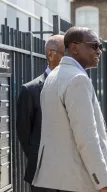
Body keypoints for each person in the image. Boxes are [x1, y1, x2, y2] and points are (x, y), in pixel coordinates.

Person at [32, 27, 107, 192]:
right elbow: (86, 139)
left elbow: (62, 129)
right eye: (93, 46)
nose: (99, 51)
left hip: (56, 180)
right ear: (74, 48)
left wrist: (101, 140)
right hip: (78, 182)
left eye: (99, 46)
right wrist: (104, 184)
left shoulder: (54, 76)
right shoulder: (77, 79)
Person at [16, 34, 65, 192]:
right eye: (66, 54)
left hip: (72, 174)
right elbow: (24, 134)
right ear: (51, 54)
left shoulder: (74, 87)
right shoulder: (30, 90)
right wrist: (42, 163)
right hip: (43, 176)